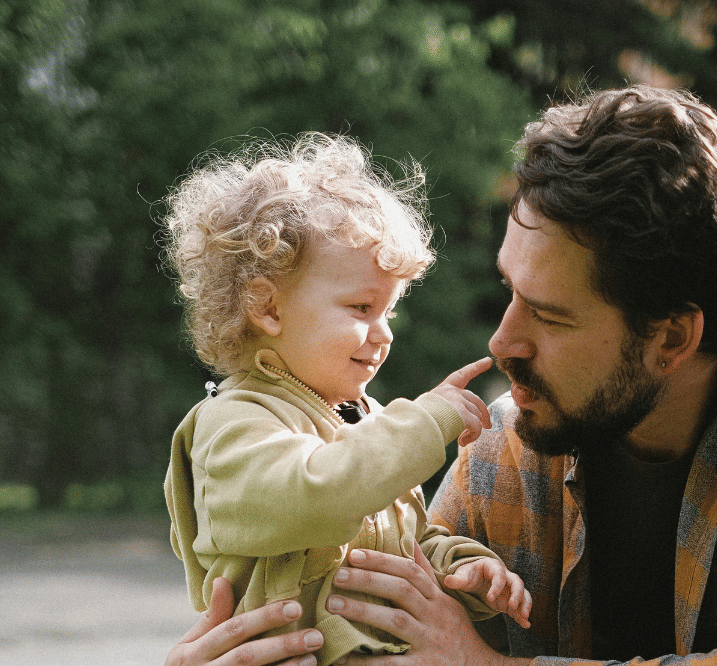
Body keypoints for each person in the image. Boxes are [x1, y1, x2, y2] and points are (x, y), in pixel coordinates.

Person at [168, 87, 717, 666]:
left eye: (550, 315)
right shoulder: (508, 451)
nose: (503, 341)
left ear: (671, 336)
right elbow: (387, 630)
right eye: (510, 290)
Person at [161, 133, 531, 666]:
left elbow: (398, 544)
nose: (384, 334)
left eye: (390, 312)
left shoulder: (364, 424)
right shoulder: (233, 425)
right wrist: (427, 421)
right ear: (267, 307)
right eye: (362, 307)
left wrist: (460, 568)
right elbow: (319, 494)